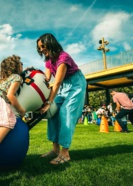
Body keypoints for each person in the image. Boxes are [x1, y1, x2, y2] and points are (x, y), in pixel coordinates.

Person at [37, 33, 86, 165]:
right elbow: (47, 79)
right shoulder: (48, 61)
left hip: (76, 84)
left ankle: (65, 153)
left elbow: (56, 83)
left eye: (42, 46)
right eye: (39, 48)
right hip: (64, 85)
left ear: (50, 43)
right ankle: (55, 149)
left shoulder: (63, 58)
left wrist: (48, 102)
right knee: (53, 113)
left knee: (66, 112)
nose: (41, 50)